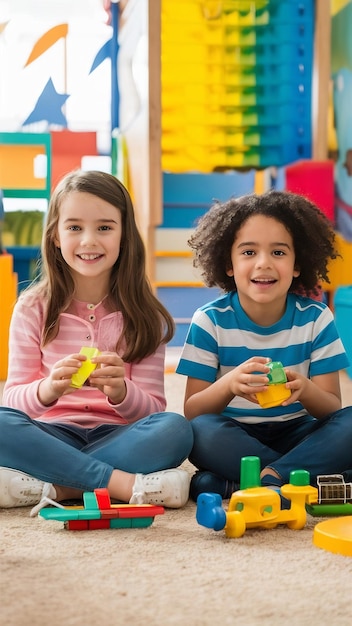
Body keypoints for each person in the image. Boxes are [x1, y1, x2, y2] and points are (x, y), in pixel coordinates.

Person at [0, 170, 193, 515]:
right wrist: (48, 389)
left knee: (175, 430)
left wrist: (122, 392)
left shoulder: (144, 314)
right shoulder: (32, 308)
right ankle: (123, 485)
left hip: (118, 436)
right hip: (51, 433)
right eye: (74, 228)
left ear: (124, 236)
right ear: (56, 236)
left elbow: (152, 410)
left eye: (104, 228)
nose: (89, 240)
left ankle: (55, 485)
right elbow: (14, 402)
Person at [176, 189, 352, 502]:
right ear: (228, 263)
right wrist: (229, 384)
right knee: (201, 433)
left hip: (300, 435)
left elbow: (331, 410)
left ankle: (262, 481)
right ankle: (304, 482)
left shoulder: (316, 318)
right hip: (236, 435)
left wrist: (306, 389)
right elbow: (193, 412)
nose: (264, 264)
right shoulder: (210, 320)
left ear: (298, 264)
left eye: (279, 253)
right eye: (248, 252)